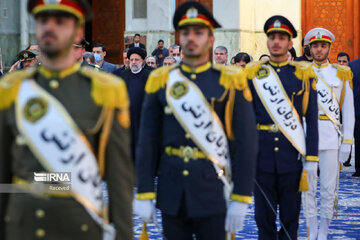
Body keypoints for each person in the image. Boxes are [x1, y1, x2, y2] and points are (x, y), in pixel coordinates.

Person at [0, 1, 133, 240]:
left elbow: (118, 178)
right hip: (23, 226)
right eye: (43, 21)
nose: (50, 27)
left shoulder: (106, 91)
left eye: (60, 22)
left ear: (78, 32)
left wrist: (123, 233)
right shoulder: (12, 89)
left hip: (79, 224)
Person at [134, 1, 258, 239]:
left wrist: (241, 197)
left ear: (210, 39)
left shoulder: (229, 81)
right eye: (185, 32)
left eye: (198, 32)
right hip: (172, 188)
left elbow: (245, 142)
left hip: (213, 187)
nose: (192, 38)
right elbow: (147, 140)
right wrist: (145, 191)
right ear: (178, 38)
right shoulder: (161, 80)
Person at [244, 15, 319, 240]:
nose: (276, 42)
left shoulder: (302, 74)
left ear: (290, 43)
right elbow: (245, 119)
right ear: (267, 41)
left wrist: (312, 159)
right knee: (263, 219)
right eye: (272, 37)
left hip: (291, 157)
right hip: (261, 156)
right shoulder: (253, 73)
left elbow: (312, 120)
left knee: (290, 220)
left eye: (282, 38)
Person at [303, 28, 354, 240]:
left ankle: (324, 231)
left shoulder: (341, 73)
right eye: (315, 46)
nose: (319, 49)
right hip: (306, 137)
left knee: (328, 188)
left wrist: (347, 142)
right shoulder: (301, 72)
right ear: (309, 48)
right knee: (308, 188)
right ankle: (312, 229)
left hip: (331, 137)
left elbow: (348, 110)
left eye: (323, 45)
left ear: (329, 48)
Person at [113, 47, 151, 161]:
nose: (133, 62)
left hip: (142, 119)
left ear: (143, 61)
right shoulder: (122, 75)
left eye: (137, 60)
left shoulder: (149, 76)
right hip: (125, 119)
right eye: (132, 59)